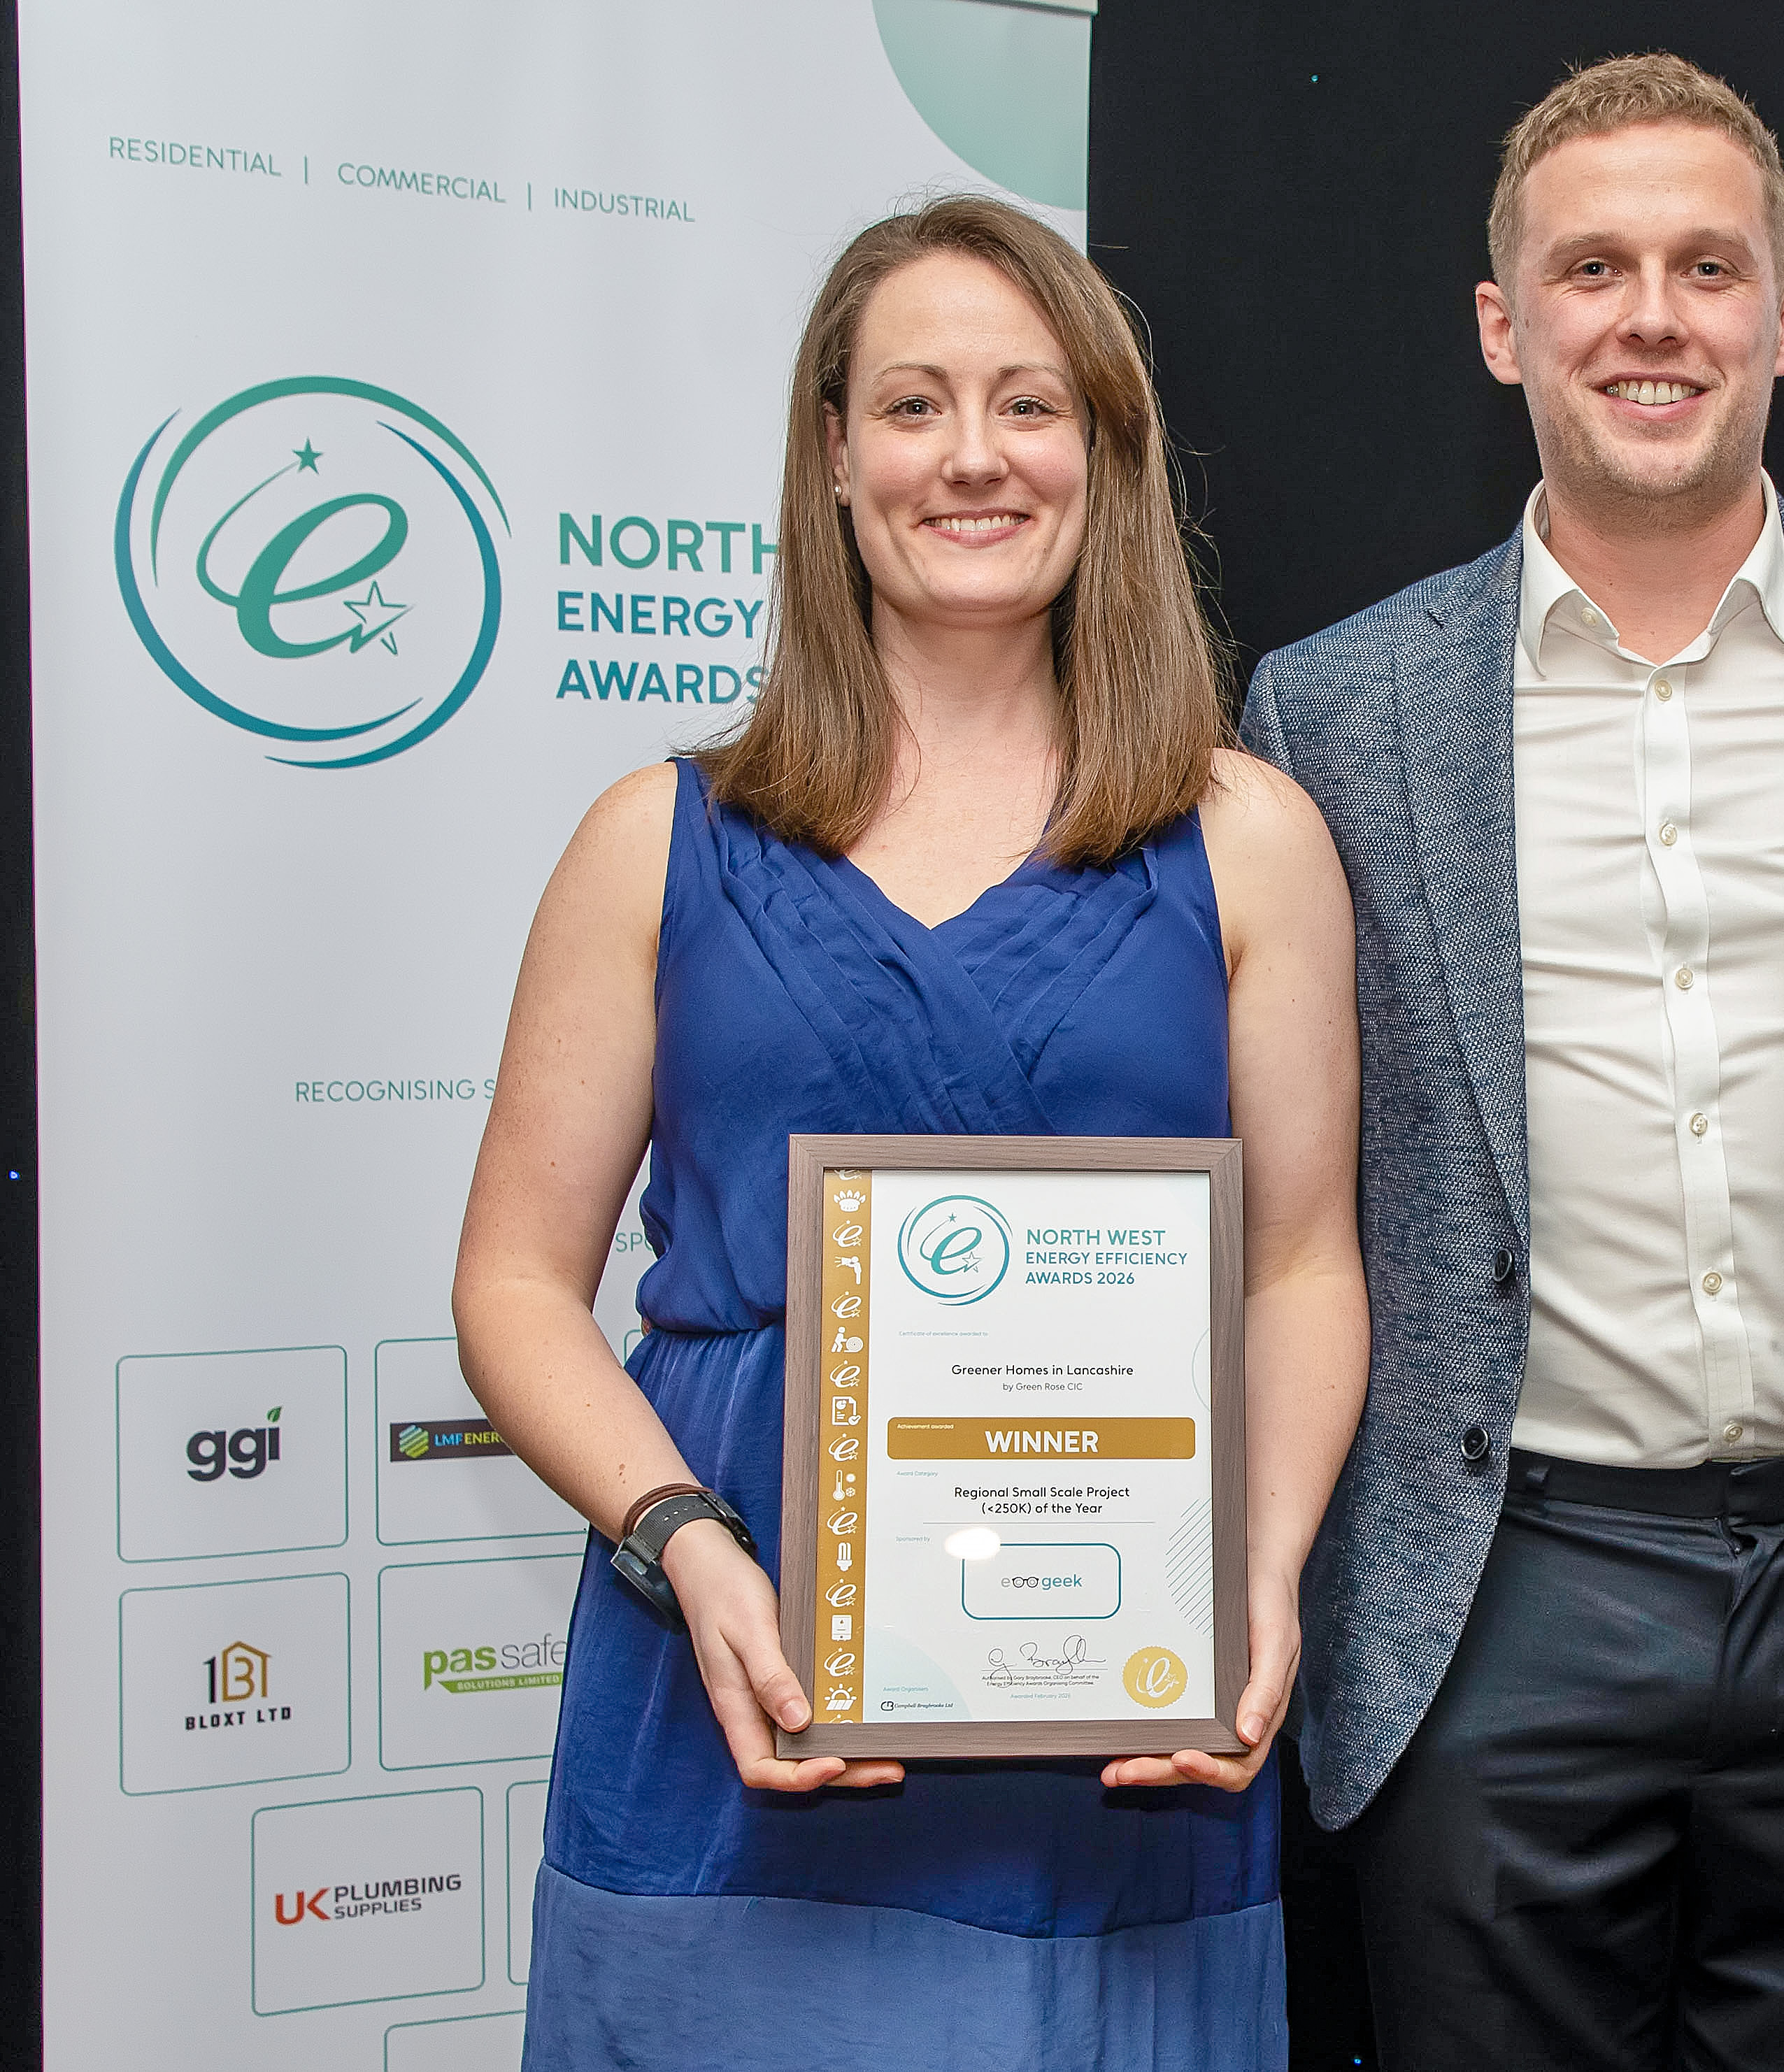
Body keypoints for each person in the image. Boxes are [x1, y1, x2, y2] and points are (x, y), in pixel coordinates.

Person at [452, 194, 1366, 2072]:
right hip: (732, 1691)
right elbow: (515, 1288)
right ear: (833, 454)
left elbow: (1299, 1267)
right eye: (914, 403)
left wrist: (1260, 1577)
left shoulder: (1250, 837)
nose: (972, 456)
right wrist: (687, 1546)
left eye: (1030, 405)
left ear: (1107, 459)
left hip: (1120, 1729)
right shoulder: (654, 841)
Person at [1239, 52, 1784, 2072]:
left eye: (1709, 267)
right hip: (1491, 1589)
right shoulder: (1330, 712)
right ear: (1501, 324)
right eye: (1592, 268)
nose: (1652, 318)